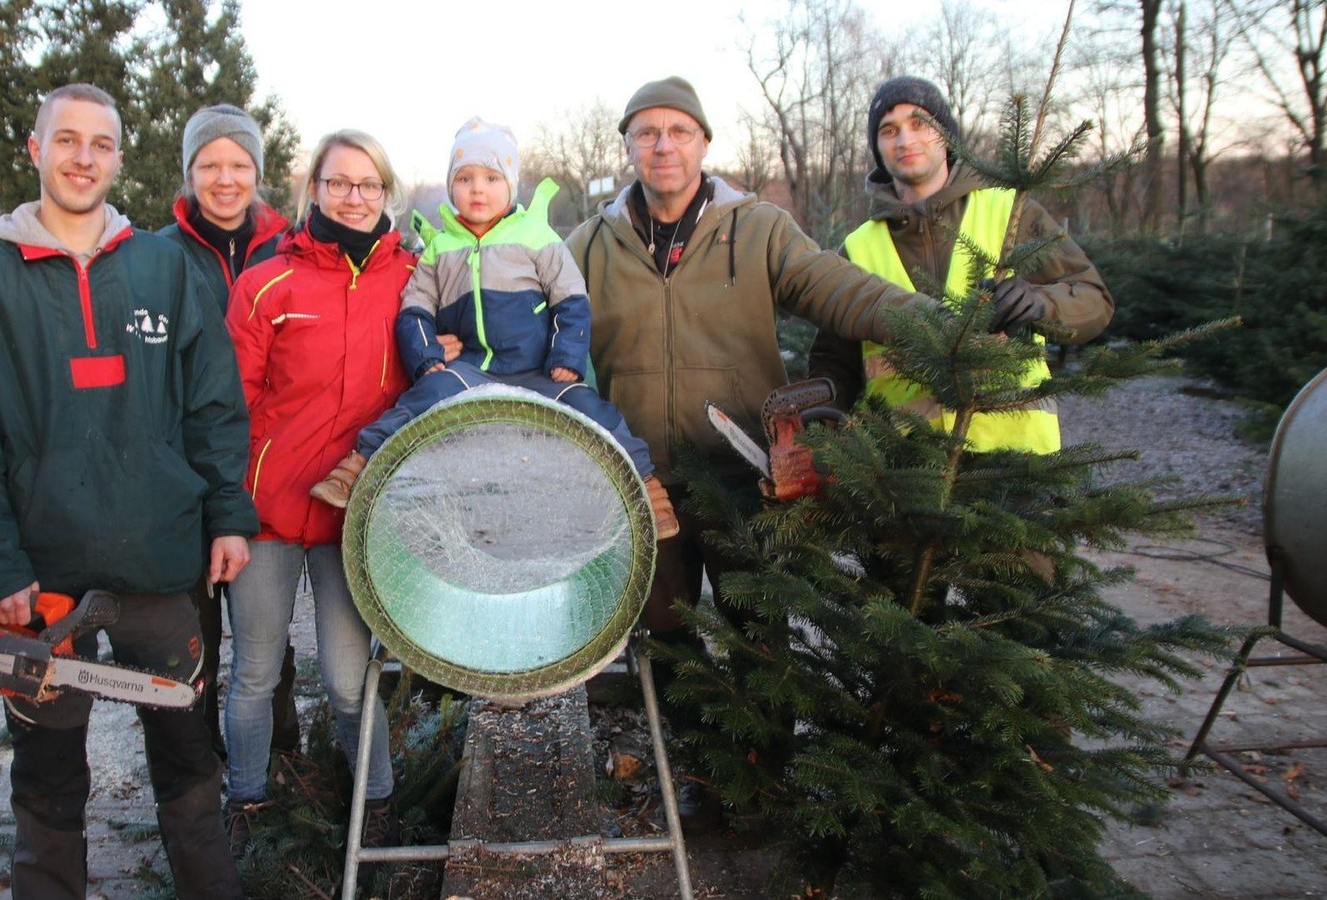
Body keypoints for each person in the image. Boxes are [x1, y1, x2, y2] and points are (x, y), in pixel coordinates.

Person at [0, 83, 251, 899]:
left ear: (118, 158)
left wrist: (227, 517)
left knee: (187, 759)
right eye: (66, 141)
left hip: (161, 558)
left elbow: (214, 406)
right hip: (39, 582)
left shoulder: (164, 266)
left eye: (99, 144)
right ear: (35, 151)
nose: (83, 158)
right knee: (47, 774)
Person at [567, 75, 939, 643]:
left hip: (745, 478)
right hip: (643, 484)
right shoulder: (589, 245)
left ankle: (767, 738)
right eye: (647, 133)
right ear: (628, 146)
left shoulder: (760, 228)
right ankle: (680, 733)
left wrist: (937, 324)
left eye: (678, 131)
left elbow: (837, 289)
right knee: (667, 639)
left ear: (704, 143)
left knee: (760, 640)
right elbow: (531, 323)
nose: (663, 145)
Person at [308, 117, 678, 539]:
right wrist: (426, 358)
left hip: (538, 371)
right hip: (472, 370)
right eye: (464, 178)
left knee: (598, 415)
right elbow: (415, 311)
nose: (477, 189)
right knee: (417, 402)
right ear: (451, 186)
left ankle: (649, 492)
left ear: (510, 184)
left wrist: (567, 357)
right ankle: (356, 467)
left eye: (490, 177)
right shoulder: (440, 249)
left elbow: (571, 300)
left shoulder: (536, 237)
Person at [221, 129, 410, 853]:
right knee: (256, 671)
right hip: (267, 514)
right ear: (315, 191)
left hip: (353, 514)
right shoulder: (268, 282)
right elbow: (230, 404)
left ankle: (379, 802)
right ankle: (246, 800)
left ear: (385, 192)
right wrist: (227, 509)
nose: (354, 197)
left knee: (347, 680)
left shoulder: (410, 279)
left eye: (368, 184)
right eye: (339, 183)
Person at [806, 75, 1114, 450]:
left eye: (920, 123)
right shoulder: (857, 249)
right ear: (878, 148)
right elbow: (834, 363)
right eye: (889, 130)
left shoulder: (1011, 212)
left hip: (1017, 467)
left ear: (946, 135)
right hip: (906, 471)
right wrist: (822, 435)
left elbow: (1093, 299)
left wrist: (1040, 304)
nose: (905, 140)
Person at [157, 103, 302, 761]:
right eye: (209, 164)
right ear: (189, 172)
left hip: (267, 469)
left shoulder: (291, 248)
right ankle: (199, 766)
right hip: (187, 473)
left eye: (238, 164)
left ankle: (280, 759)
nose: (224, 178)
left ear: (257, 171)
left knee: (264, 633)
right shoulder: (158, 257)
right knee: (196, 633)